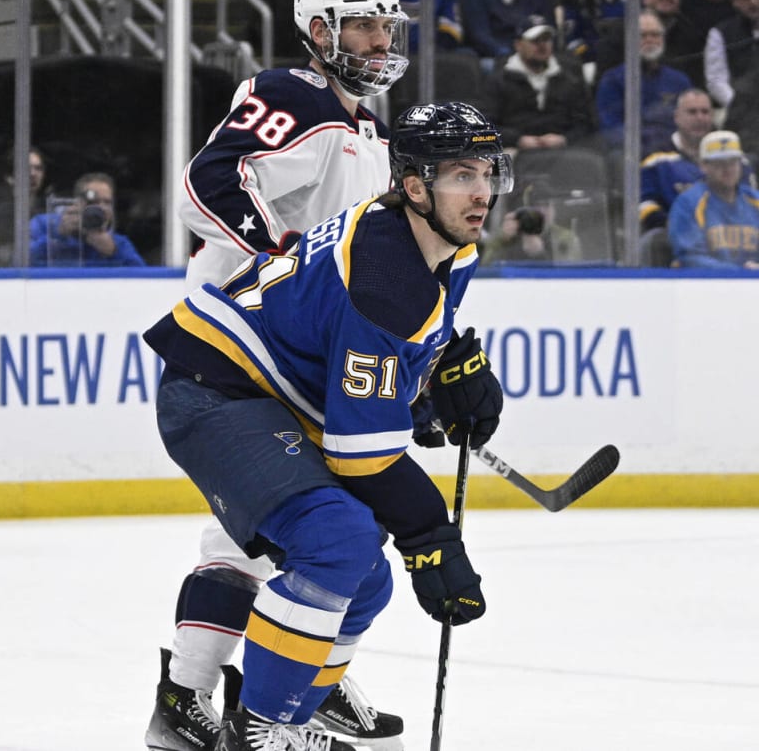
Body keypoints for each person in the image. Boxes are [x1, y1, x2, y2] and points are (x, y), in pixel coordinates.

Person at [145, 101, 505, 751]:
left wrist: (443, 366)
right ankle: (257, 732)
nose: (481, 191)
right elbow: (361, 459)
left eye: (487, 171)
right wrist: (431, 536)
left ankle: (294, 709)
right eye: (459, 174)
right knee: (337, 538)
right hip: (215, 392)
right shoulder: (385, 280)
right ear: (415, 184)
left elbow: (392, 344)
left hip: (268, 394)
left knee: (366, 575)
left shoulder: (444, 245)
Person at [147, 0, 409, 751]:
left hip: (299, 365)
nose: (381, 38)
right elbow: (207, 183)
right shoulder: (295, 94)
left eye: (386, 25)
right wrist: (282, 264)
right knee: (307, 535)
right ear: (322, 30)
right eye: (364, 23)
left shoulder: (370, 130)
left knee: (273, 538)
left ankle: (222, 696)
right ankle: (262, 693)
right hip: (242, 354)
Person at [488, 15, 596, 153]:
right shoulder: (500, 79)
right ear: (518, 45)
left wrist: (564, 139)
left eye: (546, 39)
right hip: (512, 149)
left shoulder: (570, 78)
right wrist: (517, 139)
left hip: (563, 151)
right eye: (535, 41)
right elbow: (485, 126)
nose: (542, 45)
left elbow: (586, 123)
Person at [596, 10, 694, 151]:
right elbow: (611, 129)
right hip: (632, 155)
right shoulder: (612, 80)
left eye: (655, 35)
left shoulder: (680, 81)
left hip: (675, 154)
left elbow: (688, 124)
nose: (650, 40)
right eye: (642, 35)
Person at [669, 129, 759, 267]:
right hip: (703, 286)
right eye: (719, 163)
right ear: (703, 166)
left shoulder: (755, 200)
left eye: (733, 162)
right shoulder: (689, 203)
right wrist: (740, 273)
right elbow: (689, 258)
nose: (727, 169)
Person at [640, 88, 719, 230]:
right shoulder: (656, 159)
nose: (699, 118)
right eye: (692, 112)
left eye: (705, 112)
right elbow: (644, 203)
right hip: (673, 242)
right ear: (677, 117)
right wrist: (672, 226)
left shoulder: (728, 156)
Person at [29, 171, 146, 266]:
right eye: (93, 202)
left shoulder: (119, 243)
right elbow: (20, 263)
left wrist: (114, 252)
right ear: (76, 203)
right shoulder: (44, 225)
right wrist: (59, 236)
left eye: (107, 202)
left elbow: (145, 281)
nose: (101, 208)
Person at [703, 0, 759, 108]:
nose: (753, 2)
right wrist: (740, 107)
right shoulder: (719, 33)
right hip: (737, 109)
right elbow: (716, 81)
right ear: (735, 1)